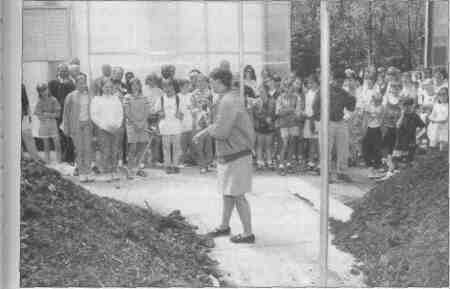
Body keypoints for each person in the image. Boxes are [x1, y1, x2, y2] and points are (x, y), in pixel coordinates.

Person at [193, 68, 255, 244]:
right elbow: (220, 125)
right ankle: (224, 226)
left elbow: (222, 131)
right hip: (230, 152)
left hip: (236, 153)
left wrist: (206, 130)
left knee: (238, 195)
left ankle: (248, 234)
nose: (210, 86)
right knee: (228, 193)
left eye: (212, 82)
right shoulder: (228, 98)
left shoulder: (228, 101)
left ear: (220, 82)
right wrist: (205, 130)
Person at [313, 71, 356, 183]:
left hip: (340, 121)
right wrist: (320, 119)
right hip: (328, 121)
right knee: (326, 148)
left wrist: (352, 93)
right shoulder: (324, 90)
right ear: (333, 80)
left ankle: (342, 172)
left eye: (342, 81)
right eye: (338, 81)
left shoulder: (343, 92)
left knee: (344, 148)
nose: (340, 83)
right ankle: (326, 173)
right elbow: (315, 104)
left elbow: (351, 107)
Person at [383, 98, 426, 179]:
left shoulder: (415, 116)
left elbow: (423, 127)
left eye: (408, 106)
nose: (406, 108)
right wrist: (402, 115)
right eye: (405, 106)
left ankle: (402, 177)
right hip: (400, 141)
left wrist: (418, 136)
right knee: (395, 159)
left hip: (410, 142)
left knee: (407, 162)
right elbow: (398, 125)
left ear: (412, 106)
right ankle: (389, 175)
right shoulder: (400, 115)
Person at [90, 80, 124, 181]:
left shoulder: (116, 99)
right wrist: (104, 126)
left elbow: (120, 113)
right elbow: (94, 115)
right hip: (103, 129)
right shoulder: (96, 99)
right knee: (105, 150)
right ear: (102, 88)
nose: (108, 89)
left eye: (110, 87)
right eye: (106, 87)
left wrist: (117, 125)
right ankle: (106, 172)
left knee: (114, 150)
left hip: (115, 128)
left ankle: (114, 170)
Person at [63, 74, 94, 182]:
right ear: (76, 84)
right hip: (76, 125)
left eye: (84, 82)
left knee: (88, 149)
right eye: (80, 82)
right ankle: (81, 172)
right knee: (79, 149)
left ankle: (88, 171)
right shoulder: (70, 96)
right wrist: (66, 128)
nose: (82, 84)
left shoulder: (90, 95)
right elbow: (66, 113)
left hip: (87, 125)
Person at [48, 63, 76, 164]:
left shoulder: (71, 84)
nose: (64, 72)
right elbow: (49, 97)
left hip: (69, 113)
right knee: (59, 135)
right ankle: (61, 157)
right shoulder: (52, 83)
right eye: (62, 70)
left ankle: (70, 157)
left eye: (65, 70)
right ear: (58, 71)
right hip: (57, 113)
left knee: (69, 134)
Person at [124, 78, 150, 178]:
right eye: (133, 85)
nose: (135, 86)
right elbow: (127, 112)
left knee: (142, 147)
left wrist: (142, 123)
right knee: (133, 148)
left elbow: (147, 111)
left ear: (140, 86)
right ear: (130, 86)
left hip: (143, 125)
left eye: (137, 84)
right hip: (132, 125)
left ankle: (138, 168)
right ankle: (130, 169)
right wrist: (135, 123)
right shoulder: (127, 97)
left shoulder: (144, 97)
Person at [276, 77, 302, 175]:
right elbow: (278, 112)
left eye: (290, 87)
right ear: (284, 87)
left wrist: (286, 110)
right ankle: (281, 165)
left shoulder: (297, 98)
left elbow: (298, 113)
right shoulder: (280, 98)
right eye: (286, 87)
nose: (288, 89)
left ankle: (289, 163)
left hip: (293, 124)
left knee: (292, 144)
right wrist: (290, 110)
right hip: (283, 125)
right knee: (284, 144)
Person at [34, 83, 62, 163]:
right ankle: (47, 160)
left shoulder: (54, 100)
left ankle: (59, 161)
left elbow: (58, 114)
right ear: (39, 93)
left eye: (45, 90)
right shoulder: (39, 101)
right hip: (44, 125)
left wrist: (48, 114)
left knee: (57, 143)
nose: (44, 92)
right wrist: (43, 116)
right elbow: (38, 114)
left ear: (48, 90)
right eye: (42, 91)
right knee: (46, 144)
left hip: (53, 124)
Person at [380, 79, 403, 176]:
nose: (395, 89)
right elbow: (383, 110)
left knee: (396, 145)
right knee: (387, 145)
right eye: (393, 87)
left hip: (397, 125)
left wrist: (400, 121)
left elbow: (403, 112)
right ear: (391, 89)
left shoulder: (401, 99)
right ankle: (388, 165)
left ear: (399, 89)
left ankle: (394, 166)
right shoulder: (387, 98)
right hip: (387, 125)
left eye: (397, 88)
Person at [159, 80, 183, 174]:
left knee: (176, 147)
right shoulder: (161, 99)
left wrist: (180, 115)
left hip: (176, 126)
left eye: (170, 87)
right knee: (166, 147)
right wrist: (160, 113)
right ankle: (167, 165)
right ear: (164, 88)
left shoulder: (178, 98)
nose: (168, 89)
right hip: (165, 126)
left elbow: (182, 113)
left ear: (174, 88)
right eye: (166, 87)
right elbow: (157, 111)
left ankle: (175, 165)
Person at [192, 75, 214, 173]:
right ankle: (202, 165)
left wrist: (208, 105)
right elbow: (192, 108)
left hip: (208, 120)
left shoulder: (211, 93)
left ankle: (208, 163)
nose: (200, 83)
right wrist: (198, 110)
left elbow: (213, 106)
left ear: (206, 82)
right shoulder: (193, 94)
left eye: (202, 81)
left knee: (208, 144)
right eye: (198, 81)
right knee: (199, 144)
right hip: (198, 121)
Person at [361, 91, 384, 178]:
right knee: (366, 149)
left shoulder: (382, 107)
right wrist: (363, 130)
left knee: (377, 150)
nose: (377, 101)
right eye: (375, 99)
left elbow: (381, 118)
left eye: (379, 100)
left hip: (377, 129)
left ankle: (376, 169)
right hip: (369, 129)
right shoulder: (368, 107)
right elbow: (365, 119)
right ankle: (370, 169)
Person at [253, 84, 276, 170]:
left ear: (267, 91)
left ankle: (269, 162)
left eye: (262, 91)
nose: (261, 93)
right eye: (260, 91)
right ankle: (260, 162)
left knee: (268, 145)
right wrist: (264, 118)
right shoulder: (257, 102)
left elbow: (273, 113)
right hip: (260, 125)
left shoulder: (272, 101)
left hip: (269, 126)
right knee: (259, 145)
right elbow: (255, 113)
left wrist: (270, 118)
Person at [143, 73, 164, 166]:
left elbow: (162, 105)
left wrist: (159, 114)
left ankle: (154, 160)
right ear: (147, 80)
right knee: (145, 139)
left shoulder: (160, 91)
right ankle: (144, 160)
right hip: (145, 117)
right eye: (150, 79)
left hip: (156, 117)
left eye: (153, 79)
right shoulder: (143, 90)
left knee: (156, 139)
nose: (151, 81)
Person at [21, 84, 44, 163]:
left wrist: (29, 114)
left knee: (28, 136)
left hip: (22, 115)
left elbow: (26, 102)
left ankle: (35, 157)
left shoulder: (21, 86)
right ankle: (21, 157)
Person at [303, 74, 320, 171]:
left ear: (316, 83)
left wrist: (313, 117)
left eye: (312, 83)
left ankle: (319, 163)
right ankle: (311, 162)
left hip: (317, 119)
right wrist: (305, 114)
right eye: (309, 83)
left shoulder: (320, 93)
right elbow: (307, 107)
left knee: (318, 142)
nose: (310, 85)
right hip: (309, 119)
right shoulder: (308, 93)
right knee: (311, 141)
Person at [177, 79, 196, 166]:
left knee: (192, 143)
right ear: (180, 87)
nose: (187, 88)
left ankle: (192, 160)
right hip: (181, 124)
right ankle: (182, 161)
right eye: (185, 86)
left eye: (188, 86)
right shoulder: (177, 96)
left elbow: (195, 107)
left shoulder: (192, 95)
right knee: (182, 144)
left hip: (191, 122)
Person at [427, 87, 449, 151]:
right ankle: (433, 146)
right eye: (440, 94)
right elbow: (431, 116)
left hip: (445, 125)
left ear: (448, 95)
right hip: (436, 124)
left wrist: (435, 121)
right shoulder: (436, 105)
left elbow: (445, 119)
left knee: (442, 150)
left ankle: (438, 145)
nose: (442, 96)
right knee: (435, 126)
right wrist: (431, 118)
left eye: (444, 94)